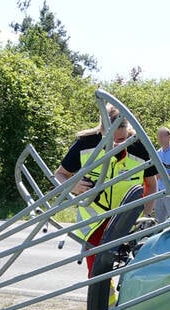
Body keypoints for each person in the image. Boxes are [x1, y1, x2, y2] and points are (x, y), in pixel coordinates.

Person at [55, 104, 157, 275]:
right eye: (114, 139)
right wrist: (74, 185)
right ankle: (104, 302)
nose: (118, 144)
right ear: (102, 131)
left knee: (131, 270)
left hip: (125, 220)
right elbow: (59, 175)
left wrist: (145, 215)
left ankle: (121, 301)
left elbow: (152, 184)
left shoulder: (138, 146)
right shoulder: (85, 143)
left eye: (122, 139)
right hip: (94, 222)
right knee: (97, 273)